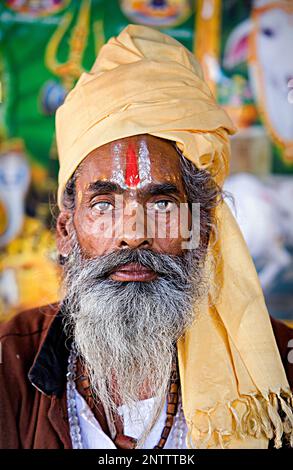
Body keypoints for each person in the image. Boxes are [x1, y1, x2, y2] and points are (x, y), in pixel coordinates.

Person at [0, 25, 292, 450]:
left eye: (162, 205)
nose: (133, 236)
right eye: (103, 205)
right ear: (66, 231)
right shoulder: (9, 364)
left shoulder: (277, 374)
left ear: (203, 229)